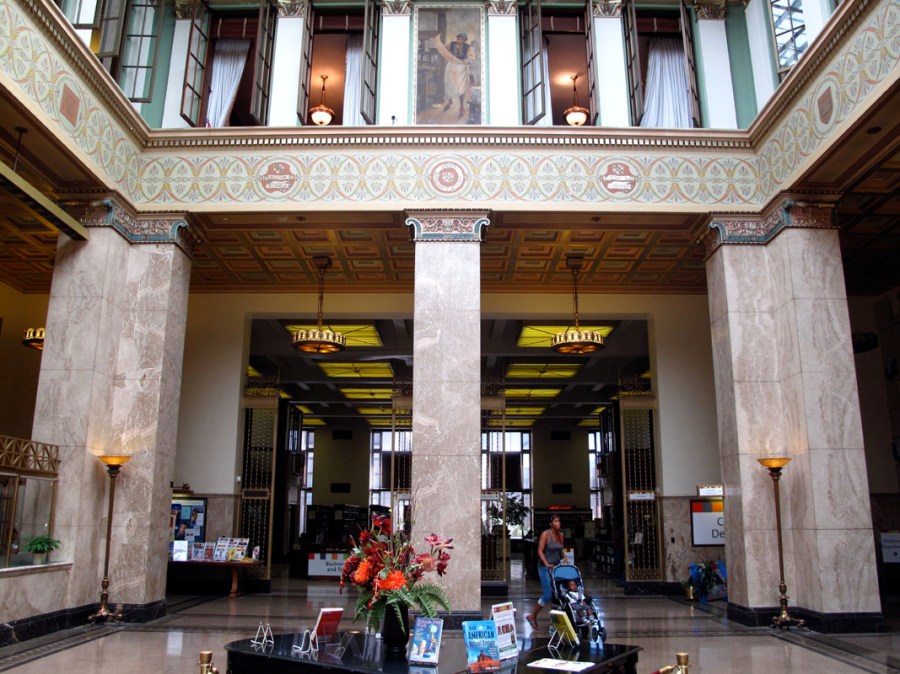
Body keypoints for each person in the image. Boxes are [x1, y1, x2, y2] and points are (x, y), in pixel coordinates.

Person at [526, 514, 564, 630]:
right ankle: (532, 615)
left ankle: (555, 621)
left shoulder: (561, 535)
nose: (558, 523)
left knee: (557, 594)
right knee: (548, 594)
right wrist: (546, 563)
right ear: (550, 523)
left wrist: (564, 558)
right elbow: (540, 550)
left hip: (556, 567)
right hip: (544, 567)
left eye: (559, 521)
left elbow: (560, 549)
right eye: (556, 521)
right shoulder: (545, 534)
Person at [432, 32, 473, 118]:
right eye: (458, 38)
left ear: (464, 40)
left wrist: (467, 60)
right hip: (451, 66)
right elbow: (444, 49)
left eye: (461, 39)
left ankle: (461, 106)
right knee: (449, 84)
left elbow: (471, 58)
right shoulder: (451, 44)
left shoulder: (468, 47)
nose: (459, 40)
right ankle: (450, 101)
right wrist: (439, 45)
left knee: (460, 87)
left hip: (461, 68)